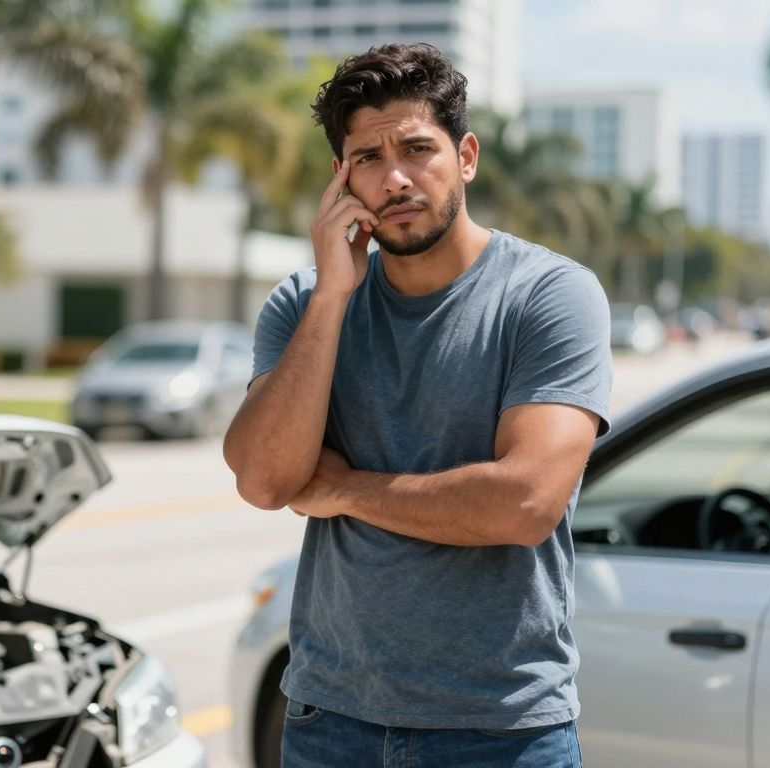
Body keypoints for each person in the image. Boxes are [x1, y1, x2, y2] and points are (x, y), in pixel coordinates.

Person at [222, 43, 612, 767]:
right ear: (342, 181)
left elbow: (524, 504)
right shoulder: (305, 305)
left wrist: (340, 487)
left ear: (465, 156)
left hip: (500, 729)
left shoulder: (549, 296)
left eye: (417, 147)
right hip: (329, 720)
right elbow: (265, 481)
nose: (395, 177)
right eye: (366, 158)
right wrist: (335, 293)